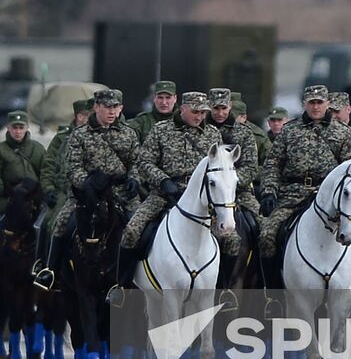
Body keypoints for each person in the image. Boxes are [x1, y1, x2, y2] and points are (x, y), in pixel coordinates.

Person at [33, 90, 139, 291]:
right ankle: (51, 272)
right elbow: (73, 167)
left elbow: (136, 162)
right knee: (61, 223)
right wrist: (87, 184)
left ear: (121, 109)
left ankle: (130, 280)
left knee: (137, 227)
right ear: (96, 108)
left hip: (120, 192)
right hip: (87, 193)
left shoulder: (128, 134)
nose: (111, 111)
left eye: (115, 107)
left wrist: (134, 179)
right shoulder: (79, 135)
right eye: (107, 107)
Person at [115, 91, 222, 287]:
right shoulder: (161, 130)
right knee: (132, 230)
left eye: (203, 113)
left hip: (201, 198)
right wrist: (163, 181)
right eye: (195, 112)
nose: (199, 117)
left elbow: (219, 167)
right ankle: (122, 285)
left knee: (230, 238)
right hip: (165, 194)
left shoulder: (213, 134)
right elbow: (144, 161)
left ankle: (223, 289)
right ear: (182, 109)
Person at [258, 85, 351, 286]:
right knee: (267, 235)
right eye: (311, 103)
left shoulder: (342, 133)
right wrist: (269, 191)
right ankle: (272, 293)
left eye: (319, 102)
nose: (315, 107)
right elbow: (273, 163)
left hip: (331, 197)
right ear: (304, 104)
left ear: (327, 104)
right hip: (293, 194)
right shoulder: (290, 130)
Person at [0, 110, 46, 281]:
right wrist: (4, 189)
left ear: (27, 128)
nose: (17, 131)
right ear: (8, 128)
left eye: (21, 127)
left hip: (33, 198)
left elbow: (46, 172)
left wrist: (42, 190)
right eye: (14, 127)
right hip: (7, 198)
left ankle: (45, 264)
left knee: (46, 225)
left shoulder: (38, 149)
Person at [33, 99, 92, 278]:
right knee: (49, 222)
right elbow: (48, 166)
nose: (85, 119)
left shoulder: (96, 135)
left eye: (89, 115)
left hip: (88, 192)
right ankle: (45, 266)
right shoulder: (62, 137)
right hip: (63, 192)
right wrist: (49, 189)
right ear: (76, 116)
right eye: (82, 115)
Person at [206, 89, 260, 258]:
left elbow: (251, 166)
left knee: (263, 229)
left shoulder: (243, 132)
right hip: (207, 191)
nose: (220, 113)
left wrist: (231, 183)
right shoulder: (202, 131)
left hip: (240, 192)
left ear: (230, 106)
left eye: (224, 108)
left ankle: (262, 280)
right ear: (209, 107)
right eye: (216, 109)